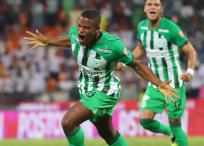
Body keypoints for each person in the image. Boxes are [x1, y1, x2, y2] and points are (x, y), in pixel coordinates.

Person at [25, 9, 176, 146]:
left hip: (105, 91)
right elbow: (70, 41)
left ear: (97, 30)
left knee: (68, 122)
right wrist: (48, 41)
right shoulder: (75, 34)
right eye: (79, 26)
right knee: (108, 134)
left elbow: (135, 64)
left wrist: (159, 83)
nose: (80, 31)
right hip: (87, 89)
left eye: (86, 28)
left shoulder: (112, 45)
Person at [127, 0, 196, 146]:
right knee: (145, 121)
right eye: (149, 4)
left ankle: (175, 135)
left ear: (161, 9)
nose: (152, 6)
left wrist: (189, 72)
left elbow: (190, 51)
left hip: (174, 85)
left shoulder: (171, 28)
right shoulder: (141, 27)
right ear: (145, 8)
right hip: (155, 84)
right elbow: (140, 49)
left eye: (156, 4)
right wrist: (126, 61)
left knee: (175, 124)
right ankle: (171, 134)